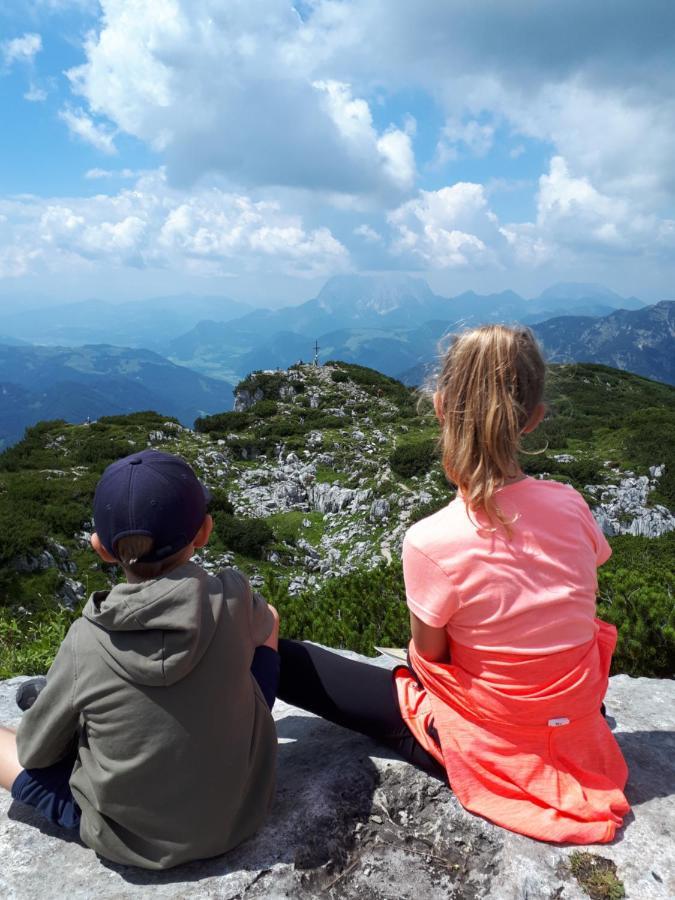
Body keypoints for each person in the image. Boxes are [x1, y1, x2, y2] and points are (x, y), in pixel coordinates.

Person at [277, 324, 630, 843]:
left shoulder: (430, 539)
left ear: (441, 407)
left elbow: (433, 660)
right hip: (574, 721)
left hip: (492, 742)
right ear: (535, 418)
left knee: (288, 660)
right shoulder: (572, 504)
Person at [0, 450, 279, 869]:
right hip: (243, 811)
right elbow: (269, 621)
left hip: (129, 841)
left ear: (102, 549)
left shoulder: (86, 642)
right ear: (204, 532)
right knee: (268, 620)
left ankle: (60, 704)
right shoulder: (234, 596)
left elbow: (33, 754)